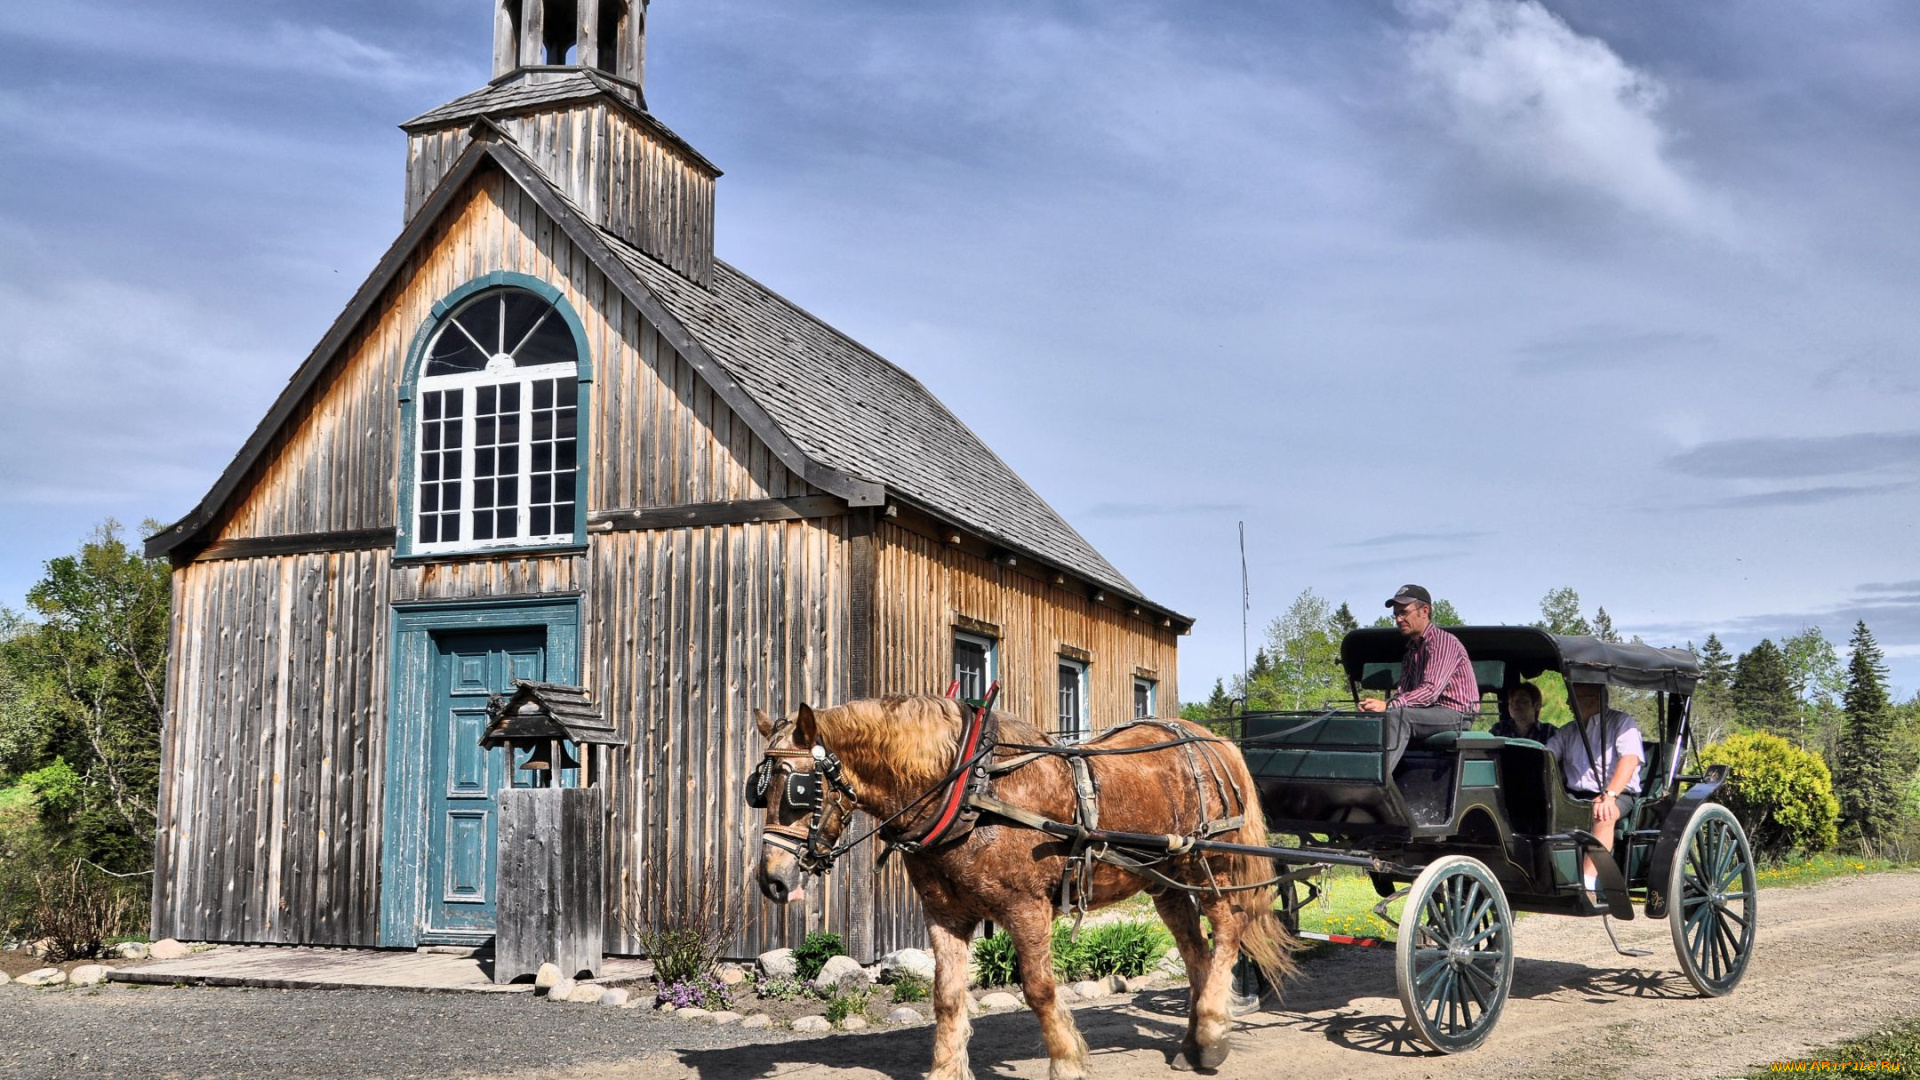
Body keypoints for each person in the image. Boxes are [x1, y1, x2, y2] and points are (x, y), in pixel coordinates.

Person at [1357, 584, 1480, 773]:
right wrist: (1378, 707)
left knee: (1400, 717)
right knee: (1381, 717)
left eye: (1404, 613)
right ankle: (1353, 775)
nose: (1399, 619)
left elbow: (1430, 692)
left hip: (1456, 714)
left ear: (1424, 611)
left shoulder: (1442, 642)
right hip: (1426, 713)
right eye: (1396, 615)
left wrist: (1388, 706)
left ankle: (1373, 780)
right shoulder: (1411, 652)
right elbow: (1403, 696)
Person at [1544, 682, 1644, 901]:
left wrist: (1610, 795)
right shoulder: (1569, 729)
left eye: (1574, 698)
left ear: (1595, 698)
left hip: (1618, 793)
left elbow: (1630, 760)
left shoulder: (1622, 723)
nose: (1569, 703)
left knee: (1603, 814)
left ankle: (1587, 883)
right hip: (1575, 794)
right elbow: (1547, 755)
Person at [1490, 681, 1555, 742]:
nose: (1515, 704)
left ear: (1536, 706)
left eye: (1522, 700)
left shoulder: (1549, 732)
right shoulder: (1499, 729)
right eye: (1511, 701)